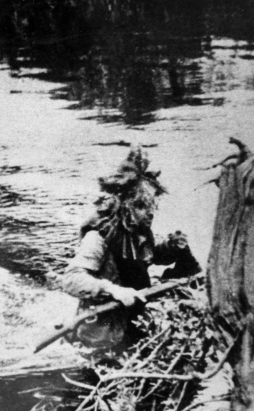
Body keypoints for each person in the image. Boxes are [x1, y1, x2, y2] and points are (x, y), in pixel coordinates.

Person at [58, 147, 201, 349]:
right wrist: (112, 289)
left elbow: (147, 258)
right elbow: (71, 279)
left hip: (134, 319)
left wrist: (172, 247)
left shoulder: (139, 232)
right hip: (101, 332)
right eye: (141, 206)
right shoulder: (98, 237)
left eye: (151, 206)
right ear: (124, 205)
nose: (149, 213)